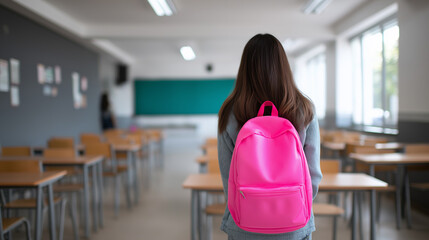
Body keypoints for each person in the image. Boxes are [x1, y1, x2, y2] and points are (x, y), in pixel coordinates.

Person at [217, 34, 322, 240]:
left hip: (244, 224)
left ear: (244, 69)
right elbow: (313, 176)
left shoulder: (230, 112)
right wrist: (289, 205)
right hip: (294, 223)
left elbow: (228, 177)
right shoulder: (304, 109)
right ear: (283, 66)